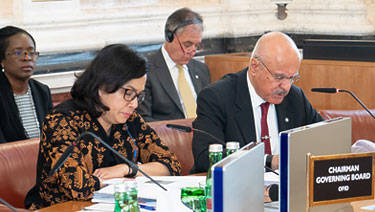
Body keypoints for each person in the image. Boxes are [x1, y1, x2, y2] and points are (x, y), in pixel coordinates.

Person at [25, 44, 182, 209]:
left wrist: (125, 169)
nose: (134, 104)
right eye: (128, 93)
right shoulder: (62, 121)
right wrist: (125, 181)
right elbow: (77, 187)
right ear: (102, 86)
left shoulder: (129, 120)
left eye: (138, 95)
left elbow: (171, 165)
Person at [191, 32, 324, 173]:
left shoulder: (294, 97)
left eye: (292, 78)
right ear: (255, 67)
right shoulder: (217, 97)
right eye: (279, 77)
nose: (286, 87)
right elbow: (206, 157)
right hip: (238, 188)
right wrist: (268, 161)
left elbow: (323, 137)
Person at [137, 7, 210, 122]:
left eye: (197, 46)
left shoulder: (201, 70)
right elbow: (143, 120)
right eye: (187, 44)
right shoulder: (146, 71)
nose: (192, 51)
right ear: (169, 37)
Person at [0, 26, 52, 143]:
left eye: (31, 52)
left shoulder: (42, 91)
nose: (27, 58)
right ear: (2, 59)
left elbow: (51, 134)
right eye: (18, 52)